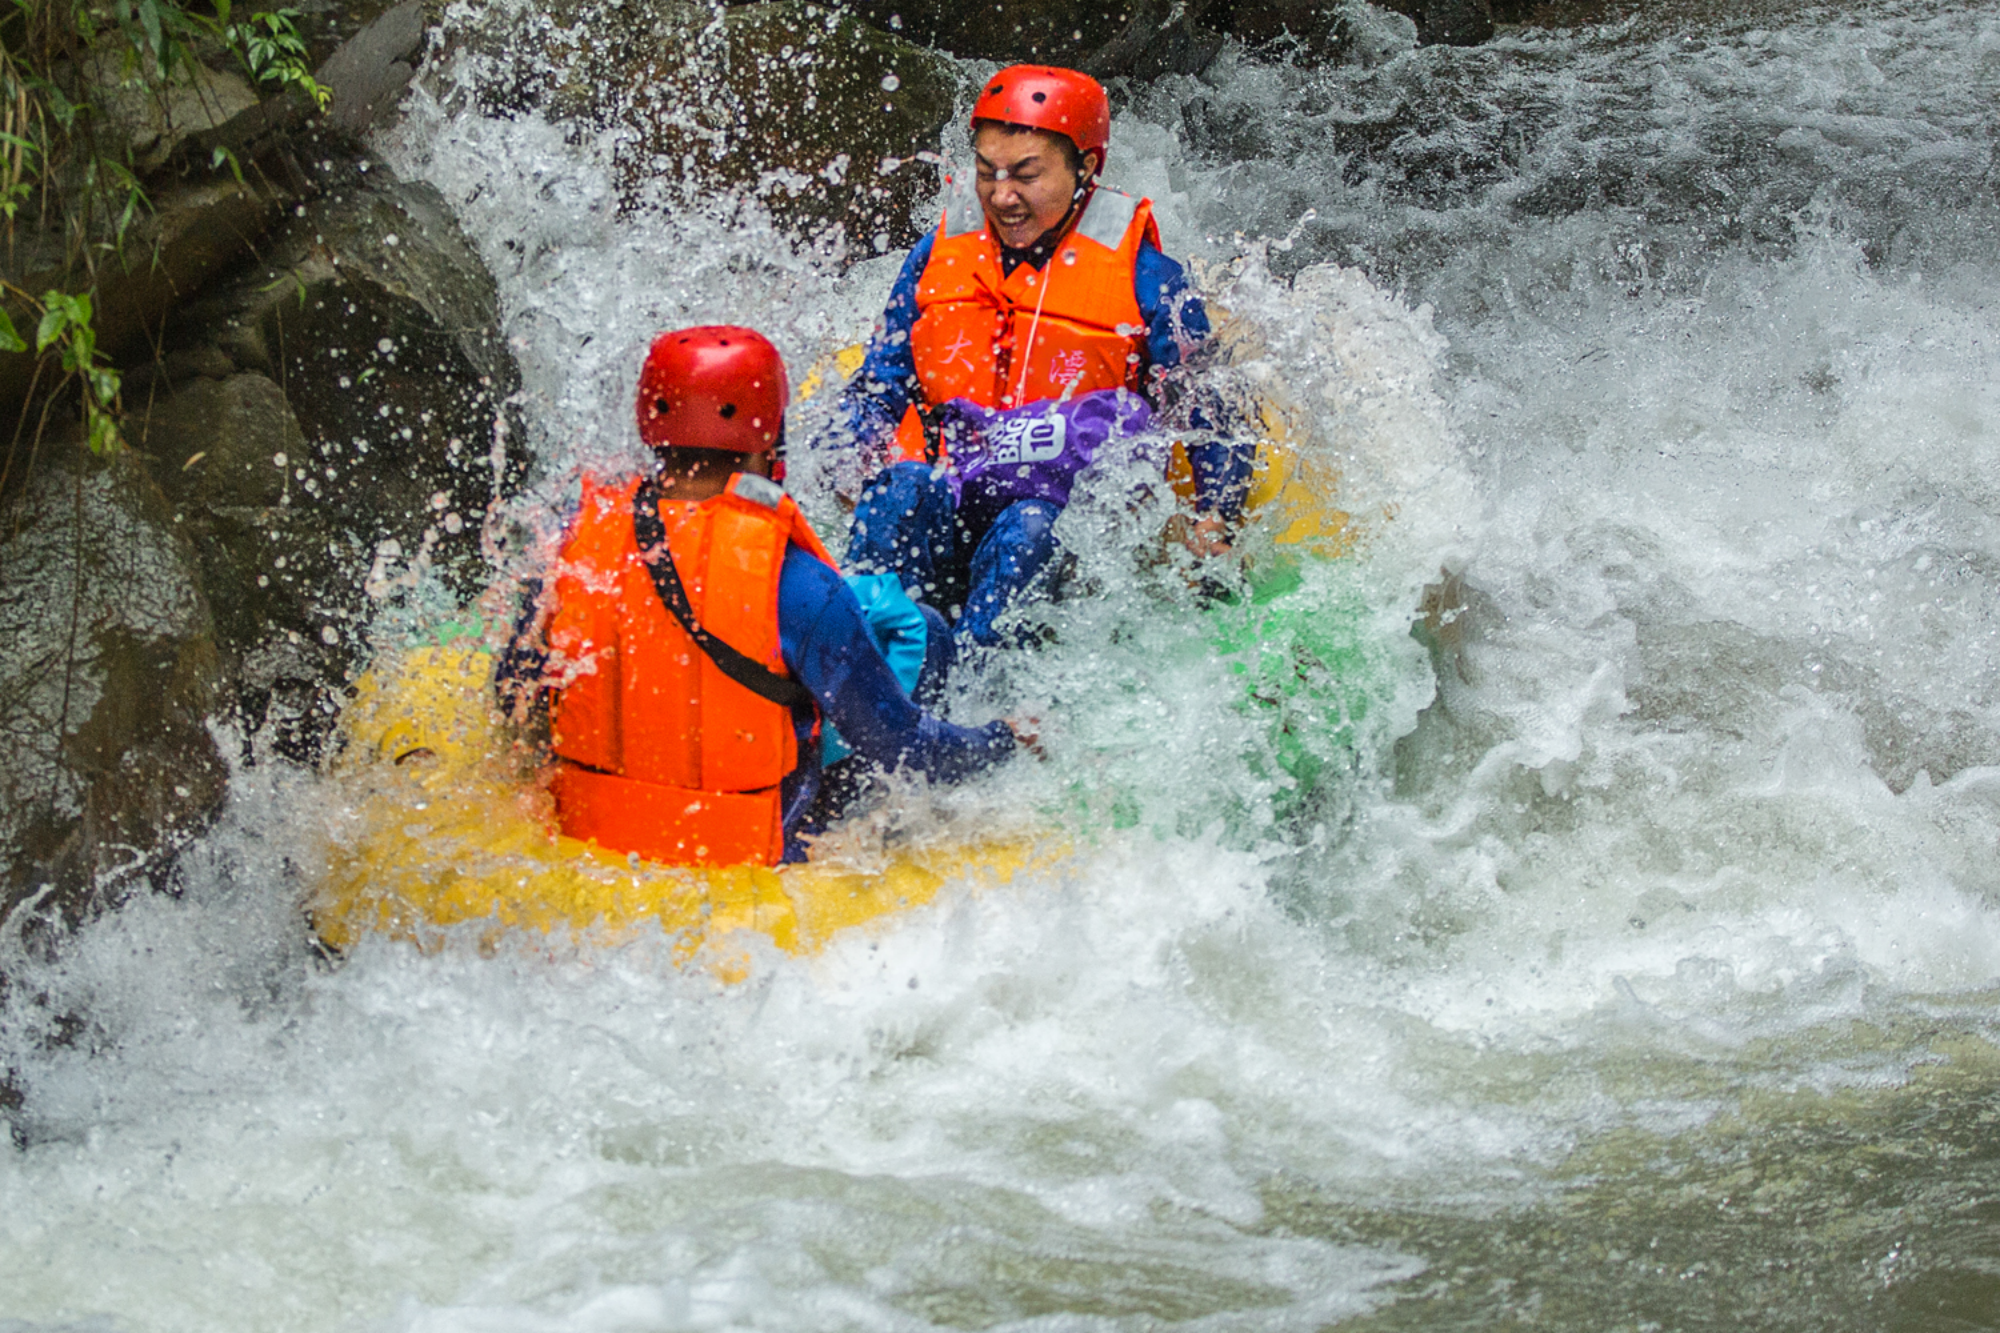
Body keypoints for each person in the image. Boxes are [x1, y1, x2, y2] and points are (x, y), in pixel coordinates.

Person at [518, 325, 1020, 868]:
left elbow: (515, 701)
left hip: (590, 837)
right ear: (771, 438)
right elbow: (903, 746)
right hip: (747, 854)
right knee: (926, 631)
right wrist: (1002, 741)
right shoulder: (797, 582)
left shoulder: (573, 550)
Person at [830, 64, 1253, 649]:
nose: (1002, 196)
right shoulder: (938, 254)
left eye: (1027, 175)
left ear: (1087, 168)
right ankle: (857, 665)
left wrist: (1216, 515)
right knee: (898, 489)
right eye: (987, 172)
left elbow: (1214, 413)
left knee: (1027, 530)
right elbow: (881, 380)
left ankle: (980, 690)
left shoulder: (1149, 278)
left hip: (1059, 521)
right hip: (955, 490)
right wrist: (845, 450)